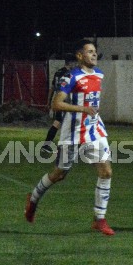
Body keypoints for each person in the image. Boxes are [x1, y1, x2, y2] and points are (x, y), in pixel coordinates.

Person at [25, 39, 114, 236]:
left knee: (106, 171)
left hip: (94, 130)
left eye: (95, 51)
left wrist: (91, 112)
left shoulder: (99, 74)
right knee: (59, 174)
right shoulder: (71, 77)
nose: (94, 54)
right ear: (79, 56)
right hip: (72, 133)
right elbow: (56, 104)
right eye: (89, 52)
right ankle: (33, 199)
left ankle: (99, 219)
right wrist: (82, 108)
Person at [42, 54, 76, 153]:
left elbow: (52, 88)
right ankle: (50, 145)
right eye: (75, 62)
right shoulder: (69, 74)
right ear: (71, 63)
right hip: (64, 102)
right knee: (62, 123)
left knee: (60, 122)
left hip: (57, 100)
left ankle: (50, 145)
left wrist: (49, 101)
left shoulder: (58, 72)